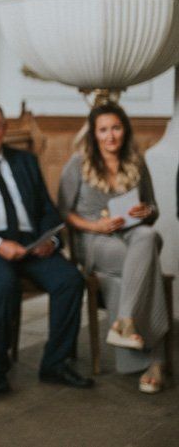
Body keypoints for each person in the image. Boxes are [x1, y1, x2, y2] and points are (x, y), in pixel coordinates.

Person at [0, 101, 91, 394]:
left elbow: (48, 209)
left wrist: (50, 238)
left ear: (4, 129)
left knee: (70, 280)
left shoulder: (25, 160)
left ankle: (56, 364)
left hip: (31, 244)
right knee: (3, 282)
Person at [57, 102, 164, 393]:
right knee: (146, 264)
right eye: (103, 130)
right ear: (93, 133)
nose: (110, 136)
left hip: (131, 236)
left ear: (124, 130)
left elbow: (153, 209)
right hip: (94, 240)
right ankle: (156, 360)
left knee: (147, 237)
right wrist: (96, 227)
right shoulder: (77, 164)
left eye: (116, 128)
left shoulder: (136, 162)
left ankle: (125, 320)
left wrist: (145, 211)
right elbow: (64, 212)